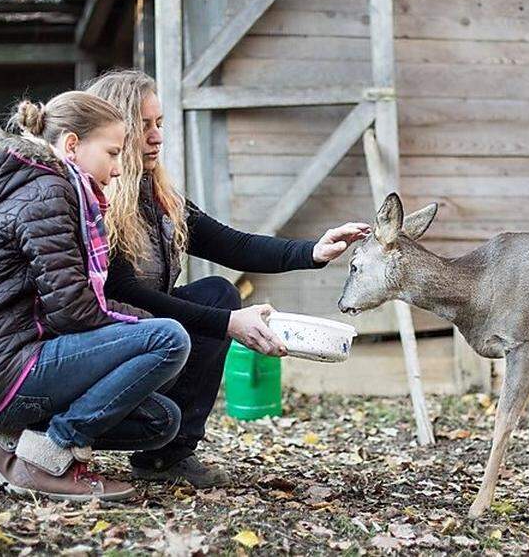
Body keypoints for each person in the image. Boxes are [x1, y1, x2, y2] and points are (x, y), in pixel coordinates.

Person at [84, 70, 370, 487]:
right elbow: (124, 291)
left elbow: (233, 246)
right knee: (217, 307)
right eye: (143, 125)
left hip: (146, 338)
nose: (156, 136)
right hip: (102, 346)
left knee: (218, 292)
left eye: (159, 124)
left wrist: (312, 250)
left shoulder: (160, 198)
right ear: (115, 128)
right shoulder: (96, 200)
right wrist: (226, 323)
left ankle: (167, 457)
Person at [0, 90, 192, 501]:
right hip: (3, 369)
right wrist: (145, 325)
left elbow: (67, 304)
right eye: (112, 154)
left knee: (160, 421)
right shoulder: (48, 192)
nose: (116, 171)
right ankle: (46, 455)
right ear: (73, 145)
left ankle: (3, 441)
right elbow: (74, 310)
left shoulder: (53, 188)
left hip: (7, 364)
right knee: (168, 340)